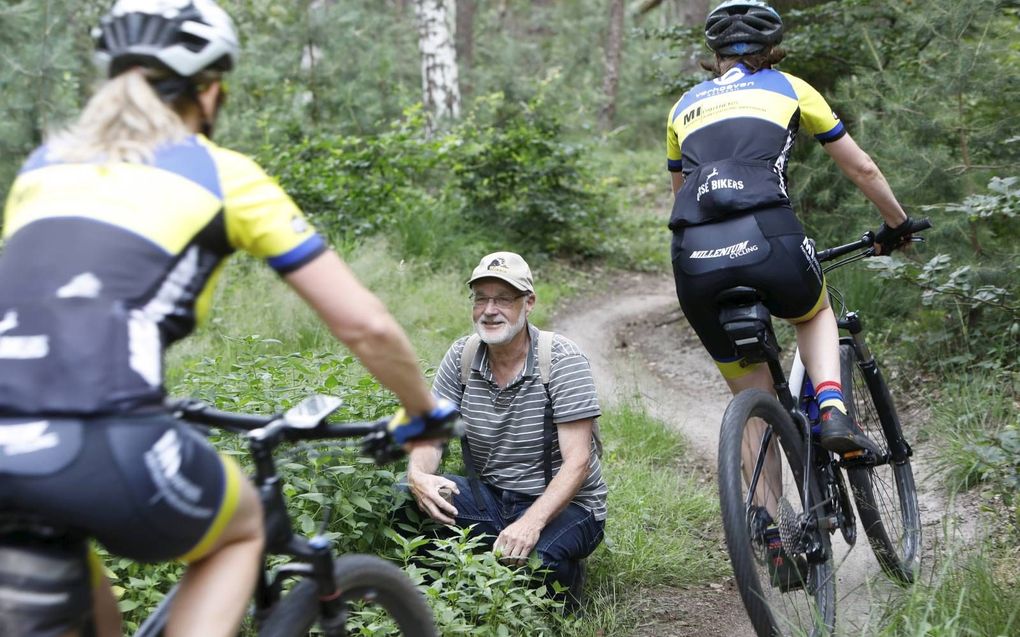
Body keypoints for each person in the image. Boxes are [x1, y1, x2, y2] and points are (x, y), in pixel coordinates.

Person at [0, 2, 453, 636]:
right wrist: (424, 412)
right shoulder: (222, 173)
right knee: (241, 529)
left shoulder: (40, 170)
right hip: (104, 437)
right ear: (210, 91)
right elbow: (365, 326)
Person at [665, 0, 927, 457]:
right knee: (814, 311)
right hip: (769, 236)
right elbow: (862, 169)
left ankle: (764, 528)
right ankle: (832, 407)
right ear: (771, 49)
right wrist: (897, 223)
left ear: (716, 53)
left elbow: (679, 195)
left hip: (694, 257)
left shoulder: (682, 107)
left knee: (754, 408)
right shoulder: (790, 88)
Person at [405, 251, 606, 605]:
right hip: (491, 499)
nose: (489, 309)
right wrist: (417, 475)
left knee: (539, 560)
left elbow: (578, 462)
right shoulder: (462, 357)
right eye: (481, 298)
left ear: (529, 303)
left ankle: (566, 583)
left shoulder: (560, 360)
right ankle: (445, 595)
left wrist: (532, 522)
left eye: (503, 299)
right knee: (401, 500)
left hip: (566, 506)